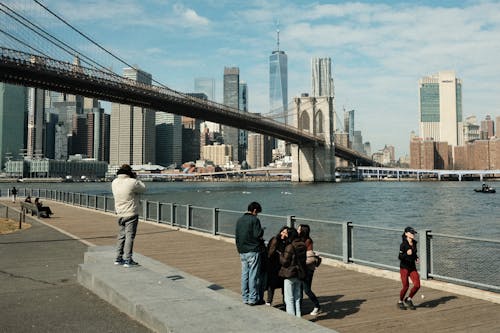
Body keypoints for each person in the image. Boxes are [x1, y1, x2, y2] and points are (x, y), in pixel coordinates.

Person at [112, 164, 146, 268]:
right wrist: (136, 178)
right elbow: (143, 188)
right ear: (129, 172)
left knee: (122, 235)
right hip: (131, 212)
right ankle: (128, 259)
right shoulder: (132, 182)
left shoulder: (114, 182)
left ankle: (118, 258)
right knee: (130, 236)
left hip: (120, 212)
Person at [235, 201, 265, 306]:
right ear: (255, 210)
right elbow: (257, 235)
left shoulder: (239, 220)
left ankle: (245, 297)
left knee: (245, 275)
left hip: (242, 250)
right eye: (257, 213)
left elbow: (237, 236)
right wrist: (262, 230)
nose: (257, 215)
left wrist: (239, 249)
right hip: (253, 250)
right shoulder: (255, 220)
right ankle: (253, 299)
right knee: (253, 275)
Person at [279, 228, 307, 317]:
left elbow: (285, 262)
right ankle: (298, 316)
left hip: (290, 273)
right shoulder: (303, 244)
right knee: (297, 298)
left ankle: (291, 318)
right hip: (299, 273)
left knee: (289, 298)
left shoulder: (290, 246)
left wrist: (280, 254)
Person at [298, 224, 321, 315]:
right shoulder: (298, 240)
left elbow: (310, 256)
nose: (297, 230)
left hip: (308, 269)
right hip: (300, 268)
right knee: (299, 289)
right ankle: (298, 307)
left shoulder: (308, 241)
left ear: (303, 231)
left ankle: (317, 306)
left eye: (299, 229)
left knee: (307, 289)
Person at [398, 226, 421, 310]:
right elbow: (400, 257)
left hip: (412, 267)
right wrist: (406, 253)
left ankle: (408, 299)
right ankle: (400, 301)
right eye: (411, 233)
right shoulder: (403, 245)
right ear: (406, 234)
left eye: (413, 233)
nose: (413, 234)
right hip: (404, 268)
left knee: (417, 285)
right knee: (406, 286)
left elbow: (414, 253)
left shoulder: (414, 243)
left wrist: (416, 258)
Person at [265, 226, 288, 306]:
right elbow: (270, 252)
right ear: (280, 232)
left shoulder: (287, 242)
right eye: (283, 232)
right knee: (271, 284)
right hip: (273, 265)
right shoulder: (275, 239)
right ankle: (269, 301)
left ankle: (285, 302)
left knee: (283, 285)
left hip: (282, 266)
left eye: (286, 233)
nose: (284, 234)